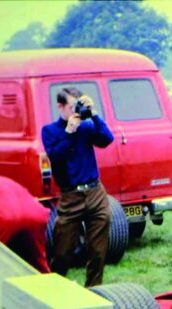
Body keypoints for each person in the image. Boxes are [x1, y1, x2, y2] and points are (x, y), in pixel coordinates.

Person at [41, 87, 114, 287]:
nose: (76, 110)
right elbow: (56, 157)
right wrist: (69, 132)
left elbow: (107, 139)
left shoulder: (87, 126)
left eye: (78, 105)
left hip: (95, 191)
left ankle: (94, 290)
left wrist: (95, 114)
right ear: (60, 107)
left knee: (98, 251)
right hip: (70, 195)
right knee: (62, 251)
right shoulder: (50, 131)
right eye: (72, 106)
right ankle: (55, 289)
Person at [0, 177, 50, 273]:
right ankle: (47, 283)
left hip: (6, 216)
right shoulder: (5, 180)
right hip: (36, 213)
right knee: (36, 263)